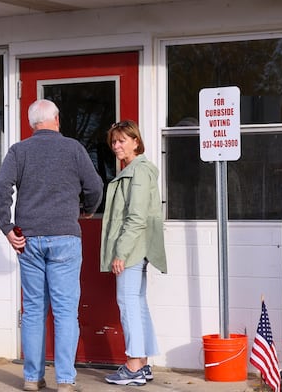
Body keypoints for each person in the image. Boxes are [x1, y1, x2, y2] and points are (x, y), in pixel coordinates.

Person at [0, 99, 103, 392]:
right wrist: (87, 210)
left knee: (32, 310)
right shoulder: (74, 149)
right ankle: (65, 381)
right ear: (56, 119)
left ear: (32, 124)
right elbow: (95, 187)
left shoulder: (19, 150)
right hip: (65, 238)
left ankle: (32, 378)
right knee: (66, 311)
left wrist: (6, 227)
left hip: (28, 238)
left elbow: (1, 187)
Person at [100, 120, 168, 386]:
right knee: (137, 303)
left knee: (128, 303)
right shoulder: (136, 170)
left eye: (122, 141)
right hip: (137, 248)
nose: (116, 146)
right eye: (114, 142)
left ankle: (133, 365)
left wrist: (121, 252)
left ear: (136, 142)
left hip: (132, 249)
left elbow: (137, 217)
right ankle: (143, 364)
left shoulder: (139, 172)